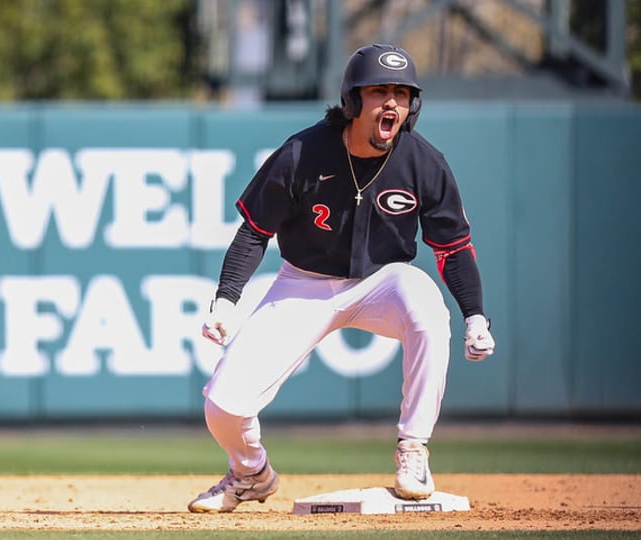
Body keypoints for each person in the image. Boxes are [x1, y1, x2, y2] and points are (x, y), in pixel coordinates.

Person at [188, 43, 495, 513]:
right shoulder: (302, 153)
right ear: (352, 100)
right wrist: (227, 301)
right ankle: (250, 473)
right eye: (379, 91)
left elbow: (452, 248)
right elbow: (254, 232)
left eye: (402, 93)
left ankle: (413, 449)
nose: (392, 102)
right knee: (223, 405)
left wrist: (475, 315)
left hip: (384, 282)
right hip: (304, 283)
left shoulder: (423, 163)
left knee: (429, 307)